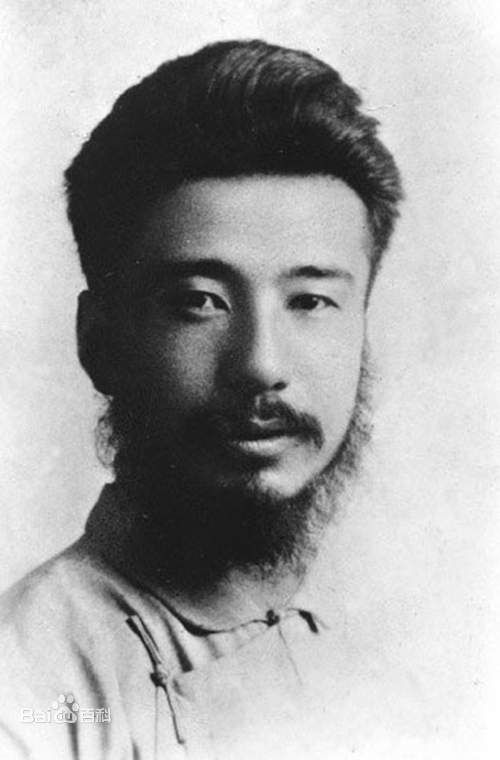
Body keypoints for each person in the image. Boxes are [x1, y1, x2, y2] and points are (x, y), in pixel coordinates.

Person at [0, 39, 423, 759]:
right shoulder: (28, 690)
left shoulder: (416, 648)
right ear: (99, 341)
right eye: (200, 301)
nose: (261, 365)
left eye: (310, 300)